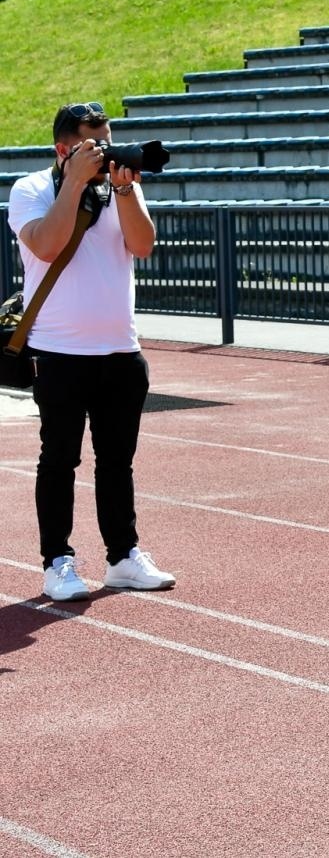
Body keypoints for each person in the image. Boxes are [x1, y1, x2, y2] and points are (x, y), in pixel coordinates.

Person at [7, 102, 174, 601]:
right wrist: (75, 183)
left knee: (117, 462)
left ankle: (123, 556)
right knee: (59, 459)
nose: (104, 152)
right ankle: (57, 562)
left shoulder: (120, 188)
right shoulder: (32, 189)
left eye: (107, 142)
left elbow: (142, 245)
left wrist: (123, 189)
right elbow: (46, 245)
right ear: (64, 148)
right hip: (57, 352)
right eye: (93, 145)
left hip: (121, 350)